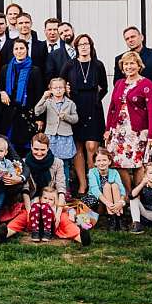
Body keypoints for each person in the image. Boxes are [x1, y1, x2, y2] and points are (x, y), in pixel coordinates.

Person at [104, 51, 152, 191]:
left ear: (139, 65)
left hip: (138, 131)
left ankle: (138, 194)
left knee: (137, 164)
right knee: (118, 163)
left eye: (132, 63)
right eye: (126, 64)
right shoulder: (119, 83)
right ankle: (128, 193)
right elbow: (112, 108)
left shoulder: (147, 84)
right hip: (118, 130)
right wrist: (107, 129)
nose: (129, 67)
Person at [114, 25, 152, 160]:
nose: (130, 40)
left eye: (133, 36)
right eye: (127, 39)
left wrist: (144, 93)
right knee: (129, 142)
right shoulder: (120, 59)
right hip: (129, 108)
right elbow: (117, 83)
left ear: (141, 37)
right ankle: (135, 172)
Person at [66, 35, 108, 195]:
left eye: (86, 44)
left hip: (93, 107)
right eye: (80, 44)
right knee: (78, 146)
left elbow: (104, 87)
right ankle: (82, 184)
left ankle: (93, 183)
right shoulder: (70, 65)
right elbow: (62, 83)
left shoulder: (98, 65)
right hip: (75, 107)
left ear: (91, 46)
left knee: (91, 146)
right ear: (76, 47)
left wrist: (95, 99)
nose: (84, 47)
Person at [33, 78, 79, 193]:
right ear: (51, 89)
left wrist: (66, 117)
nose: (58, 90)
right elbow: (37, 111)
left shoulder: (70, 103)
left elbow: (75, 119)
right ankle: (49, 189)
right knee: (50, 162)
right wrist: (44, 97)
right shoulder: (48, 102)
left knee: (65, 164)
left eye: (60, 88)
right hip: (51, 136)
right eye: (55, 88)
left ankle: (65, 190)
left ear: (64, 89)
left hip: (65, 137)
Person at [86, 149, 128, 228]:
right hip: (97, 198)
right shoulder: (92, 172)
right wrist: (108, 203)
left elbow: (121, 189)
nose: (101, 163)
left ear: (109, 161)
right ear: (95, 163)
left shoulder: (114, 172)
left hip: (112, 199)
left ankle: (119, 217)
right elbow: (95, 189)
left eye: (104, 160)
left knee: (114, 186)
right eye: (98, 160)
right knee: (107, 186)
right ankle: (111, 216)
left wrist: (120, 202)